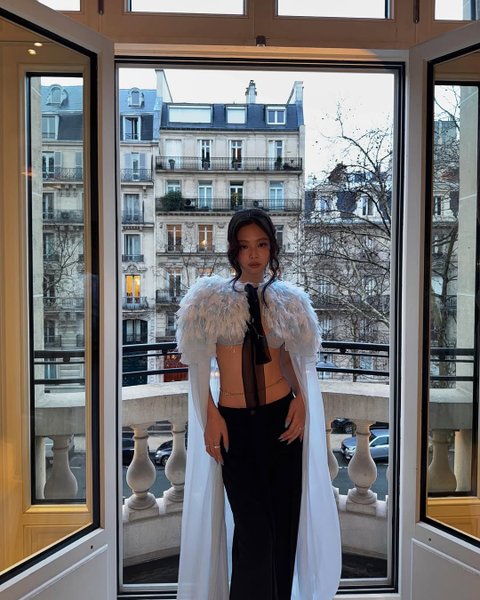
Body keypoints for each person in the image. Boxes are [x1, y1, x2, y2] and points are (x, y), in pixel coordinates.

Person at [176, 209, 341, 600]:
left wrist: (302, 402)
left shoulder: (290, 302)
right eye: (245, 246)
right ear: (233, 250)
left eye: (262, 245)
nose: (253, 255)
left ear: (272, 248)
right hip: (235, 426)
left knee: (283, 530)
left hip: (282, 424)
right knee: (253, 536)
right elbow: (197, 367)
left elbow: (292, 362)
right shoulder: (208, 301)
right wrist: (210, 416)